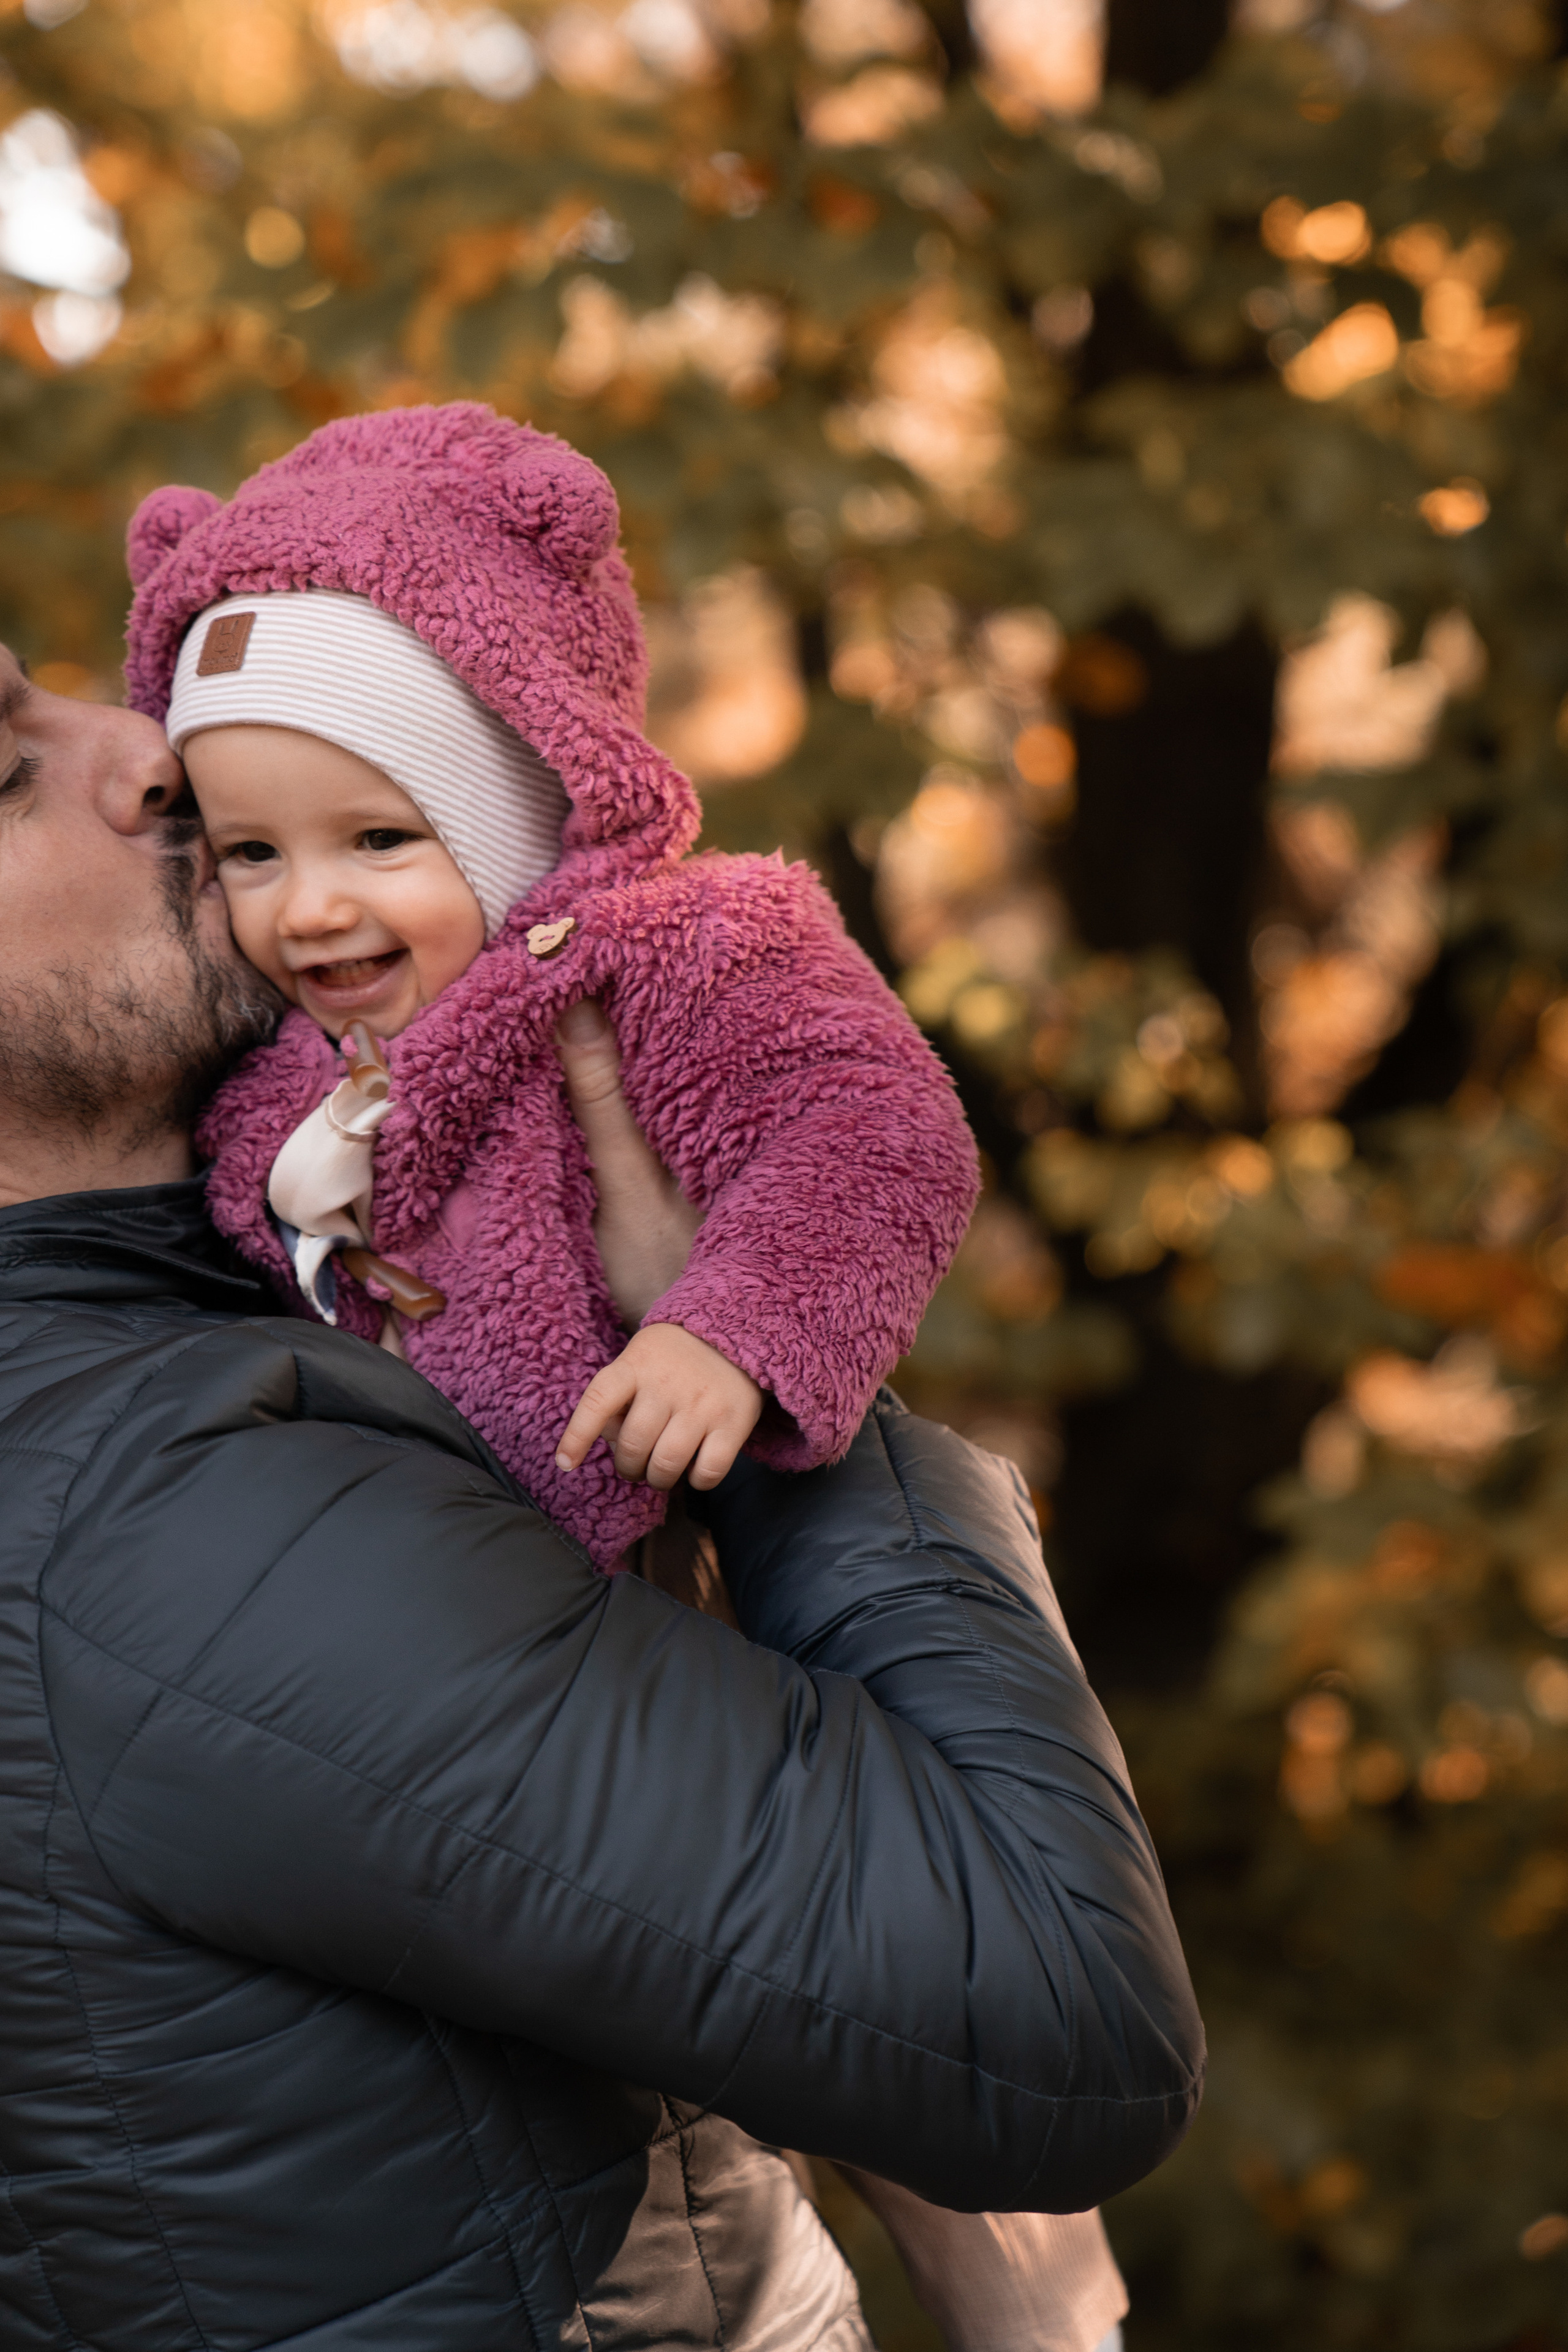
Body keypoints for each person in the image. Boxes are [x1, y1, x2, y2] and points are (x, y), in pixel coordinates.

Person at [0, 643, 1201, 2345]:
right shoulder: (163, 1516)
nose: (144, 752)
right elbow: (1058, 2011)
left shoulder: (172, 1368)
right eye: (4, 773)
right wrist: (759, 1363)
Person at [123, 401, 981, 1571]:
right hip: (368, 1595)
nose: (308, 908)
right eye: (253, 854)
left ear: (517, 820)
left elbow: (882, 1134)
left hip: (621, 1585)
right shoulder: (250, 1042)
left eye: (379, 840)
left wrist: (725, 1332)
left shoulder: (680, 949)